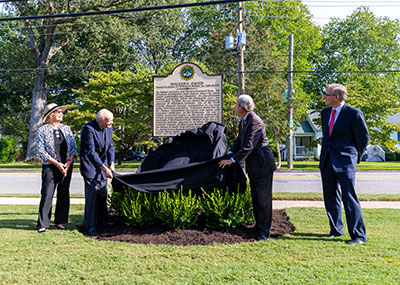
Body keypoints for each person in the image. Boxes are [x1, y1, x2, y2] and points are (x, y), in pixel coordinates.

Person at [219, 94, 276, 241]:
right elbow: (239, 140)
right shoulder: (244, 121)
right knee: (256, 198)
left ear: (243, 107)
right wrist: (230, 152)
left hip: (263, 165)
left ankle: (264, 233)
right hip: (254, 165)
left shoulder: (255, 121)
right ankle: (258, 227)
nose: (235, 107)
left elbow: (248, 145)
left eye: (236, 104)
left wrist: (232, 160)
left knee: (263, 200)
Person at [319, 83, 369, 245]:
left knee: (349, 198)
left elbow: (363, 139)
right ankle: (335, 230)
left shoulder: (354, 113)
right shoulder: (325, 113)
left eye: (327, 95)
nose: (324, 97)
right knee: (330, 198)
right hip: (327, 160)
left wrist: (355, 158)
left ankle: (358, 236)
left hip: (346, 161)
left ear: (337, 97)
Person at [36, 103, 77, 233]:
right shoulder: (42, 130)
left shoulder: (67, 129)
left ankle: (60, 221)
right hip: (51, 166)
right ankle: (43, 223)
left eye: (61, 112)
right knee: (47, 193)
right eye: (58, 112)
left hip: (67, 166)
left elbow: (74, 148)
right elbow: (41, 151)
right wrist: (57, 164)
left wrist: (68, 163)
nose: (61, 113)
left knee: (64, 193)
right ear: (50, 115)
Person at [80, 109, 115, 236]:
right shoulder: (88, 129)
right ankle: (89, 225)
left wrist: (111, 163)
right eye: (108, 121)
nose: (111, 123)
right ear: (100, 121)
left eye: (111, 120)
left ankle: (102, 221)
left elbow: (110, 145)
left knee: (102, 194)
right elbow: (91, 152)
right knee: (92, 197)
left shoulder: (109, 127)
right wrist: (103, 168)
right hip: (90, 166)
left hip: (103, 165)